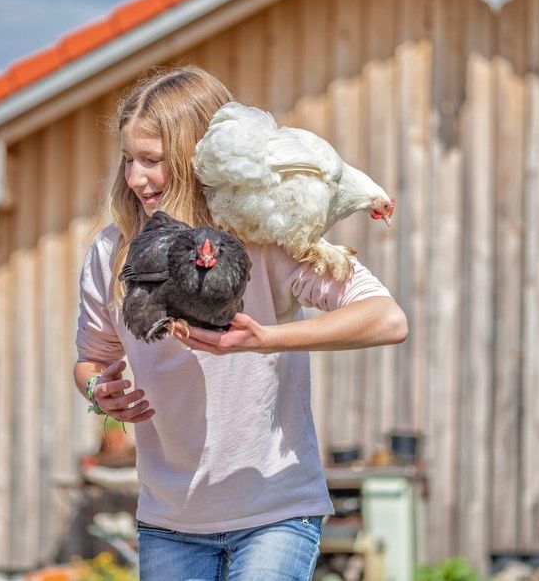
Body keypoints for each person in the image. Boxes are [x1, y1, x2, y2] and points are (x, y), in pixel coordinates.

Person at [73, 65, 407, 581]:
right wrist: (99, 389)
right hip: (170, 520)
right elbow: (92, 360)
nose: (136, 177)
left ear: (192, 159)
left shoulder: (264, 233)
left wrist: (265, 340)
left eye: (153, 161)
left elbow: (386, 319)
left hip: (274, 511)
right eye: (128, 160)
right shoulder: (114, 253)